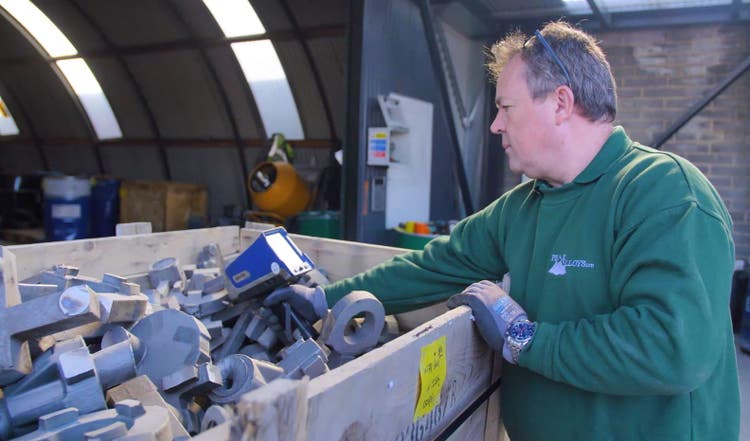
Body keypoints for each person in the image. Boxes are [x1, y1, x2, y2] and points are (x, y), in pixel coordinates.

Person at [266, 21, 740, 440]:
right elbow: (432, 268)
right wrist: (325, 301)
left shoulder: (663, 193)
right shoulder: (523, 207)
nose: (494, 125)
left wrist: (525, 339)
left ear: (560, 103)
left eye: (505, 108)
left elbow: (672, 347)